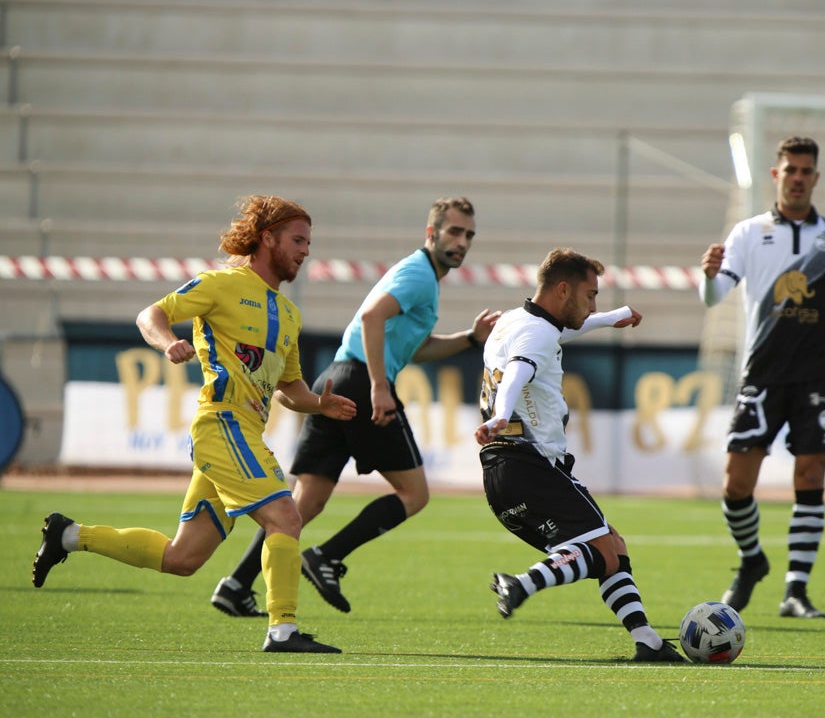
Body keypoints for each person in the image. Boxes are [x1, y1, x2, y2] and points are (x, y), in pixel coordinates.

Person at [32, 195, 357, 653]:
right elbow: (152, 315)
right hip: (221, 425)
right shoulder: (221, 285)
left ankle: (67, 535)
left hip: (242, 433)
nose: (306, 250)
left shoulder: (288, 315)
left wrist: (320, 405)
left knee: (182, 558)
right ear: (268, 239)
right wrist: (167, 342)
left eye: (309, 242)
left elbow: (290, 389)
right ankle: (282, 630)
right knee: (286, 517)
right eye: (298, 240)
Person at [211, 196, 499, 616]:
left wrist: (470, 339)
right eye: (454, 231)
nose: (462, 241)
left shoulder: (421, 278)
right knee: (414, 494)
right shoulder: (420, 274)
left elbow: (414, 348)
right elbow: (371, 318)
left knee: (304, 503)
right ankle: (327, 556)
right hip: (362, 380)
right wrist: (380, 387)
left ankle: (236, 584)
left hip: (337, 377)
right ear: (431, 233)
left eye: (469, 234)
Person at [699, 135, 825, 619]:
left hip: (818, 376)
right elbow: (714, 297)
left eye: (806, 171)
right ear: (776, 175)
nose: (798, 178)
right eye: (791, 170)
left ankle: (796, 591)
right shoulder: (748, 233)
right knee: (735, 484)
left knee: (810, 476)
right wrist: (708, 275)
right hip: (761, 374)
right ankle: (751, 560)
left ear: (815, 178)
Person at [475, 248, 685, 662]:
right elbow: (520, 368)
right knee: (603, 552)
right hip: (528, 465)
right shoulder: (535, 335)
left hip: (502, 474)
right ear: (563, 289)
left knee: (612, 547)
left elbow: (559, 333)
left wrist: (611, 318)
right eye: (590, 296)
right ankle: (521, 584)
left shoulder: (516, 321)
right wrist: (501, 414)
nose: (593, 304)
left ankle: (647, 640)